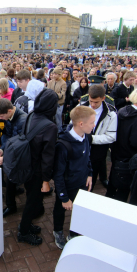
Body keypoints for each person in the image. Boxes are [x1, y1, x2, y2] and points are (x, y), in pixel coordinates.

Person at [17, 88, 58, 246]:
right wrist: (46, 180)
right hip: (37, 171)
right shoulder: (50, 126)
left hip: (27, 164)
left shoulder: (32, 114)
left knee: (31, 198)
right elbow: (48, 157)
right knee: (32, 202)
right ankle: (23, 231)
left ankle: (26, 225)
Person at [53, 106, 95, 249]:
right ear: (81, 124)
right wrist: (64, 197)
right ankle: (57, 231)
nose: (94, 126)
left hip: (82, 182)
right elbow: (58, 174)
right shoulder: (63, 145)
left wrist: (89, 173)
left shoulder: (87, 136)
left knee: (79, 209)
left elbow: (87, 156)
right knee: (60, 209)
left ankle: (74, 232)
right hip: (67, 185)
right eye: (92, 122)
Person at [106, 88, 137, 202]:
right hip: (128, 157)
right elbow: (136, 142)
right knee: (123, 190)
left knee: (113, 183)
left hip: (117, 154)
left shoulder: (123, 110)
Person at [0, 98, 27, 217]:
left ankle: (11, 206)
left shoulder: (22, 120)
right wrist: (2, 150)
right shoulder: (9, 116)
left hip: (20, 155)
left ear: (10, 111)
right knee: (12, 179)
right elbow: (8, 135)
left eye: (1, 116)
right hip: (13, 152)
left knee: (11, 178)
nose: (0, 119)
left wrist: (5, 157)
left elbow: (18, 144)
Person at [78, 84, 117, 189]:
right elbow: (72, 125)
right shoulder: (81, 107)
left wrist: (92, 139)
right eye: (91, 101)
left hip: (98, 151)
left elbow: (112, 136)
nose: (93, 105)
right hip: (80, 149)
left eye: (96, 102)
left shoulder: (111, 113)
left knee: (91, 180)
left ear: (103, 98)